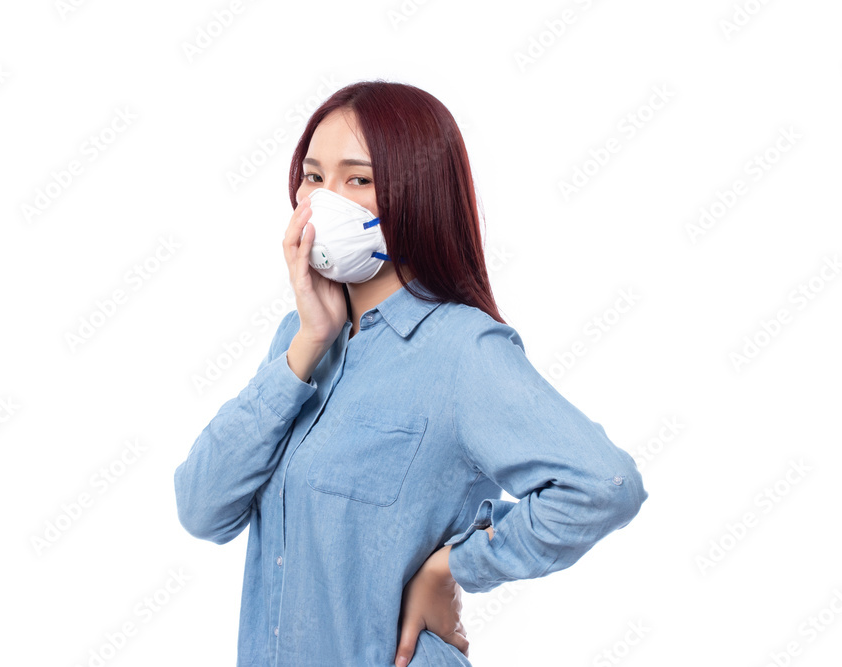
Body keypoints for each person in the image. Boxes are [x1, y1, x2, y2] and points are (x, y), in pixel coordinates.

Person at [173, 79, 648, 667]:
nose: (325, 201)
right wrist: (308, 343)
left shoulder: (462, 350)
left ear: (417, 195)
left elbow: (605, 485)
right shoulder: (297, 340)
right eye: (313, 176)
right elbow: (202, 509)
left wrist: (452, 567)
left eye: (358, 180)